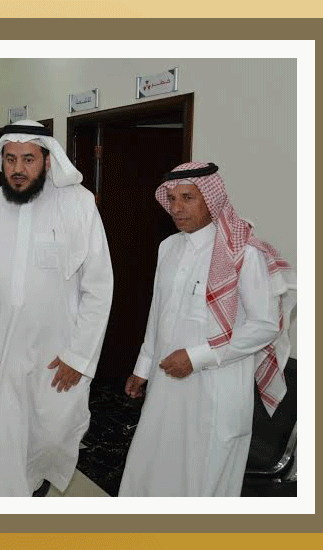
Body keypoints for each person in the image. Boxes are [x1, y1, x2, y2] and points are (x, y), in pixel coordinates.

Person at [0, 120, 114, 497]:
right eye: (10, 159)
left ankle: (35, 482)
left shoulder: (79, 204)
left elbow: (99, 285)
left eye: (28, 159)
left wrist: (80, 355)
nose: (18, 169)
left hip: (56, 351)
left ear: (47, 161)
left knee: (52, 434)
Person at [118, 161, 296, 497]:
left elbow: (264, 326)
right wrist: (142, 368)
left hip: (216, 388)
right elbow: (158, 313)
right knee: (151, 470)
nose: (177, 208)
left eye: (188, 198)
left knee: (202, 482)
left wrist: (197, 357)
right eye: (172, 199)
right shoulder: (168, 247)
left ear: (212, 200)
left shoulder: (244, 252)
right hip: (166, 383)